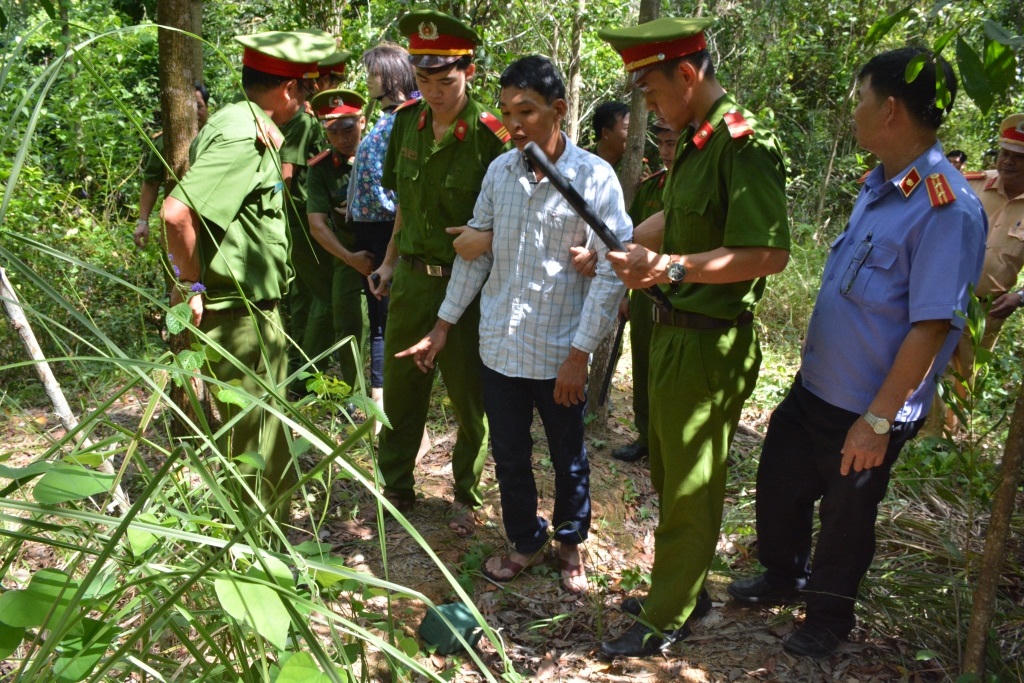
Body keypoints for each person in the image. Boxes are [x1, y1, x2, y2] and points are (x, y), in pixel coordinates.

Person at [726, 47, 986, 658]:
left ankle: (826, 620)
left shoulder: (947, 208)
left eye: (860, 99)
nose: (853, 112)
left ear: (890, 109)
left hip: (868, 406)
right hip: (818, 385)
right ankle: (782, 575)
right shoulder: (880, 184)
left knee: (846, 520)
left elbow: (929, 328)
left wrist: (876, 420)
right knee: (779, 483)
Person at [596, 16, 791, 657]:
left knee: (690, 485)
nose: (647, 104)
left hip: (710, 341)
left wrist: (672, 268)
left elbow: (765, 254)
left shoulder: (745, 145)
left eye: (651, 90)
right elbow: (673, 215)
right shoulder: (699, 143)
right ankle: (686, 587)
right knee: (669, 467)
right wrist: (624, 247)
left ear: (687, 74)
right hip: (672, 332)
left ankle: (668, 614)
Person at [398, 55, 629, 593]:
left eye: (526, 109)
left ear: (558, 109)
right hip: (499, 346)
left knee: (567, 451)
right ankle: (524, 540)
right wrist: (443, 326)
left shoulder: (594, 177)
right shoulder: (500, 171)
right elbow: (475, 256)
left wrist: (580, 354)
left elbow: (610, 273)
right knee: (509, 453)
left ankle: (571, 542)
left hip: (558, 351)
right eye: (506, 111)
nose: (514, 122)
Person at [161, 30, 334, 522]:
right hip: (238, 312)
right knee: (253, 435)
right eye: (303, 89)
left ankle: (267, 528)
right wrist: (189, 284)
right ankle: (259, 542)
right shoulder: (243, 134)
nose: (306, 100)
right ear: (286, 91)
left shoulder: (238, 121)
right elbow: (177, 214)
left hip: (252, 309)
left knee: (261, 428)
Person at [366, 9, 511, 534]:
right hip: (411, 281)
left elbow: (514, 218)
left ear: (468, 72)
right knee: (403, 388)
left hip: (470, 288)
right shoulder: (406, 122)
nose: (434, 91)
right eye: (424, 80)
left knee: (470, 396)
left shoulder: (492, 137)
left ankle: (466, 495)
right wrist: (386, 263)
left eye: (445, 80)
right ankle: (396, 487)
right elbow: (404, 202)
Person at [930, 114, 1024, 431]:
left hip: (988, 311)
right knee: (930, 369)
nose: (1008, 162)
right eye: (1004, 153)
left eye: (1018, 157)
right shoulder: (970, 184)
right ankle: (925, 440)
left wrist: (1019, 297)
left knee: (967, 382)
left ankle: (949, 443)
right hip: (943, 297)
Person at [341, 44, 417, 417]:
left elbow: (404, 187)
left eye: (372, 72)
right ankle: (382, 401)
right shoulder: (392, 116)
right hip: (374, 229)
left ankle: (388, 404)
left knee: (386, 319)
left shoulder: (407, 116)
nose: (368, 79)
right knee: (380, 316)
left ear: (390, 75)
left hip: (390, 230)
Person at [613, 124, 680, 463]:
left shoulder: (702, 190)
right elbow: (630, 238)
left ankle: (670, 442)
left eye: (673, 143)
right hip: (645, 292)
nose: (667, 151)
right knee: (642, 361)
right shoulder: (652, 187)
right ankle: (645, 434)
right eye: (663, 144)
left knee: (674, 371)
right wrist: (624, 294)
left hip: (683, 293)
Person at [305, 88, 373, 393]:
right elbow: (317, 225)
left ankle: (395, 391)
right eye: (334, 131)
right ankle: (355, 393)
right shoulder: (320, 170)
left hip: (389, 252)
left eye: (348, 128)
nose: (343, 137)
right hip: (348, 254)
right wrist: (350, 258)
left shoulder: (382, 154)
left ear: (361, 122)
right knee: (347, 323)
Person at [280, 32, 336, 393]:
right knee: (323, 298)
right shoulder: (303, 122)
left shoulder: (308, 119)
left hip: (303, 218)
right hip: (303, 219)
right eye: (331, 81)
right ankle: (306, 377)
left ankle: (297, 369)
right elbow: (286, 175)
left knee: (305, 297)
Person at [135, 83, 210, 249]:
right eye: (189, 107)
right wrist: (143, 221)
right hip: (177, 227)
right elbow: (151, 183)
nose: (195, 112)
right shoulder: (165, 142)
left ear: (207, 108)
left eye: (199, 106)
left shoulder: (220, 138)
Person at [592, 101, 630, 169]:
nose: (632, 134)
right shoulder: (580, 161)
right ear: (606, 133)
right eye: (627, 128)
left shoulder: (635, 164)